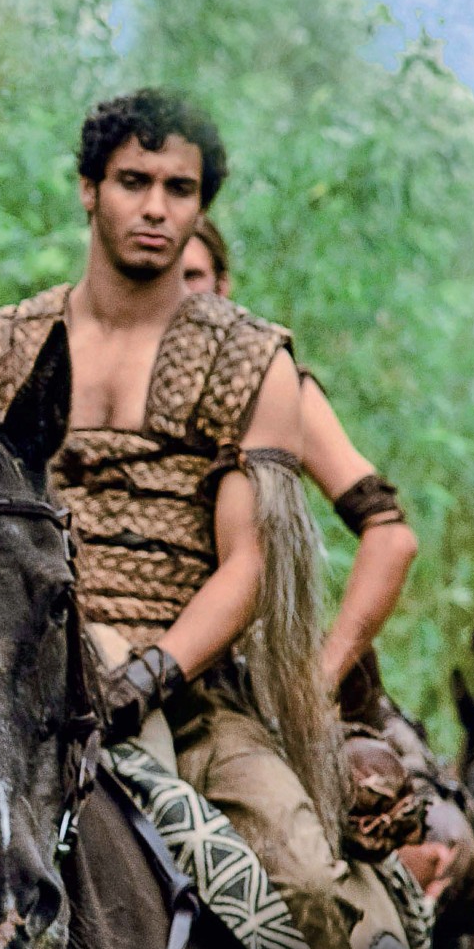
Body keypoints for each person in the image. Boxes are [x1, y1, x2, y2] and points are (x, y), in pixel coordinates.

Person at [0, 90, 455, 949]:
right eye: (134, 181)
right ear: (88, 189)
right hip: (8, 687)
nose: (155, 207)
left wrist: (148, 673)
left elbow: (249, 561)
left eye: (179, 189)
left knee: (308, 885)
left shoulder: (248, 357)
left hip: (190, 690)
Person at [179, 214, 419, 693]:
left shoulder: (272, 385)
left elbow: (390, 536)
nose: (180, 294)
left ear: (223, 286)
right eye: (167, 277)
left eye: (193, 276)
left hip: (236, 669)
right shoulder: (95, 368)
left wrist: (321, 676)